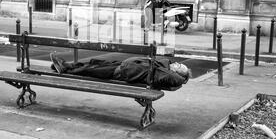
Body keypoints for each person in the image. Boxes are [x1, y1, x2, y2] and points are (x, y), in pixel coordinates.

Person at [49, 52, 190, 89]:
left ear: (177, 73)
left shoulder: (164, 74)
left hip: (123, 72)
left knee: (91, 70)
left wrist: (184, 78)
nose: (177, 63)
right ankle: (66, 65)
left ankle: (65, 68)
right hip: (123, 65)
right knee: (94, 62)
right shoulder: (164, 66)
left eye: (179, 67)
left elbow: (176, 79)